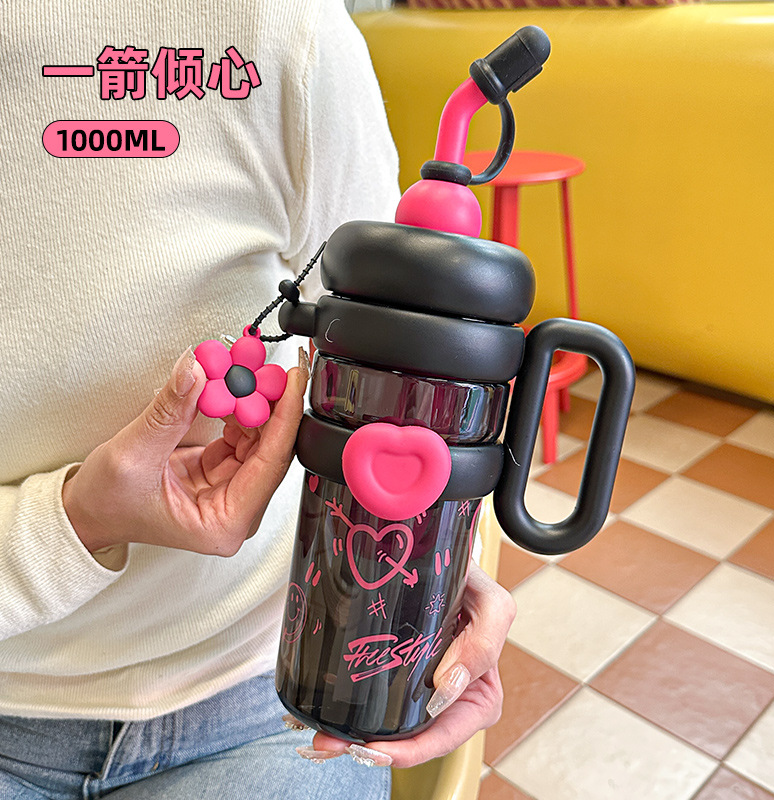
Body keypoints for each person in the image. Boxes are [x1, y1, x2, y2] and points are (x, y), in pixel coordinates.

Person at [0, 0, 515, 797]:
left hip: (283, 687)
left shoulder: (284, 31)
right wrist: (77, 521)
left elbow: (407, 369)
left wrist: (432, 576)